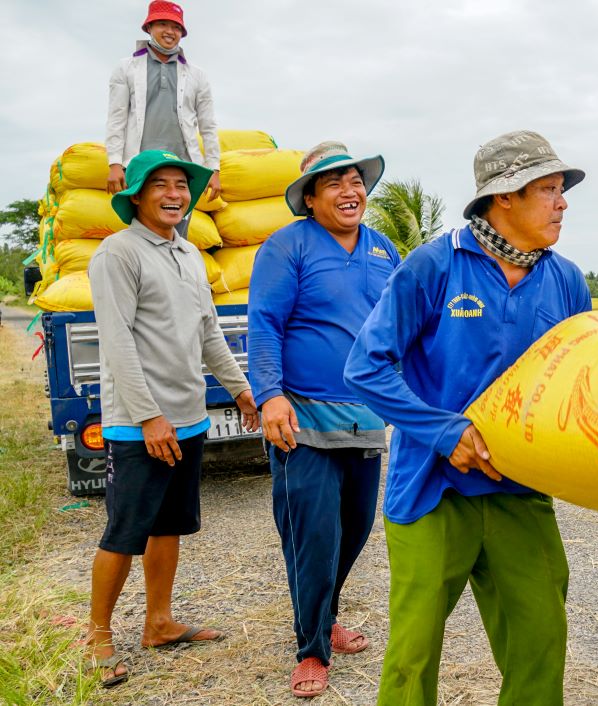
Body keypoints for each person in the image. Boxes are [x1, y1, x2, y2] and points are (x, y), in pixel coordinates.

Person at [344, 130, 590, 705]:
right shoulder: (436, 265)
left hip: (519, 492)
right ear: (504, 197)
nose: (563, 202)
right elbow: (366, 366)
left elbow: (580, 383)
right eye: (549, 189)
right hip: (433, 490)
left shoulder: (565, 281)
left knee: (540, 643)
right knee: (413, 652)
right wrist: (443, 431)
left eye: (561, 190)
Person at [84, 149, 258, 687]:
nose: (174, 194)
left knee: (169, 526)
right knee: (124, 531)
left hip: (188, 419)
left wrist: (242, 390)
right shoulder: (119, 253)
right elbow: (115, 342)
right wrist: (148, 416)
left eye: (181, 184)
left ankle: (158, 622)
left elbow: (208, 334)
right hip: (140, 425)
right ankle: (98, 635)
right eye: (159, 184)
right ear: (135, 195)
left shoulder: (186, 253)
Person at [247, 141, 399, 698]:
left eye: (356, 180)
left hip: (364, 418)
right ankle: (312, 648)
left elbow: (404, 325)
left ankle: (325, 614)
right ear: (309, 198)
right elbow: (264, 323)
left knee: (353, 529)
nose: (349, 190)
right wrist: (269, 396)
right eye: (334, 182)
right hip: (302, 418)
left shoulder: (384, 250)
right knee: (312, 536)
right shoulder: (286, 246)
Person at [105, 1, 221, 238]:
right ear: (149, 27)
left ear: (182, 33)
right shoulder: (126, 68)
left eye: (176, 27)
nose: (170, 32)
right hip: (141, 164)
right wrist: (115, 163)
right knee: (142, 227)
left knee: (177, 226)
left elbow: (208, 125)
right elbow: (116, 118)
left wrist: (214, 169)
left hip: (182, 163)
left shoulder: (196, 75)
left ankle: (177, 274)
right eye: (162, 24)